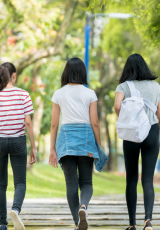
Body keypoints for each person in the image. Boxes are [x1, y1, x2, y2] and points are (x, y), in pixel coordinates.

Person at [48, 57, 107, 230]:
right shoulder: (90, 94)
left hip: (66, 141)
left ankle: (77, 223)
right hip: (86, 139)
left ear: (65, 72)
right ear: (83, 72)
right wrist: (99, 145)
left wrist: (52, 148)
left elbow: (54, 124)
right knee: (87, 183)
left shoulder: (59, 94)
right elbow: (95, 122)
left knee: (71, 184)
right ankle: (84, 207)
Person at [0, 62, 37, 230]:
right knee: (20, 183)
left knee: (0, 184)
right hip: (18, 141)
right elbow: (28, 122)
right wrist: (34, 147)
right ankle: (15, 210)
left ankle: (2, 223)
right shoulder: (23, 94)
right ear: (13, 76)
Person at [114, 54, 160, 230]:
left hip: (131, 133)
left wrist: (128, 121)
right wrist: (156, 129)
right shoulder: (156, 86)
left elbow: (117, 106)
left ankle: (132, 224)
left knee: (131, 179)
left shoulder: (123, 86)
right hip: (151, 131)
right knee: (148, 179)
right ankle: (148, 221)